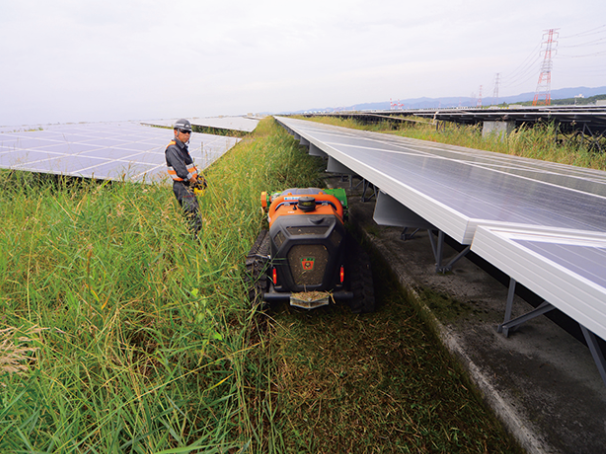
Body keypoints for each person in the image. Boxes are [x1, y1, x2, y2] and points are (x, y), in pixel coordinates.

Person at [165, 119, 207, 236]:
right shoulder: (172, 148)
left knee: (195, 213)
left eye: (189, 132)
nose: (187, 134)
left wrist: (198, 178)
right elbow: (181, 171)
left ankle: (196, 238)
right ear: (175, 132)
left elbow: (189, 167)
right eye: (184, 131)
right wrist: (195, 181)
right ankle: (194, 241)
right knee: (192, 215)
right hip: (182, 187)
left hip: (188, 185)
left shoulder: (182, 147)